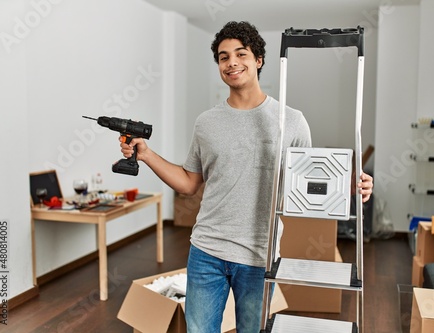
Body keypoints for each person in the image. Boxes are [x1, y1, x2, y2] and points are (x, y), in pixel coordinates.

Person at [120, 21, 373, 333]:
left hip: (259, 255)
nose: (232, 63)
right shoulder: (207, 123)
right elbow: (188, 183)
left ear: (258, 60)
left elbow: (308, 185)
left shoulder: (292, 121)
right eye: (224, 57)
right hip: (206, 252)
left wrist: (349, 185)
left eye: (241, 54)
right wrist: (145, 154)